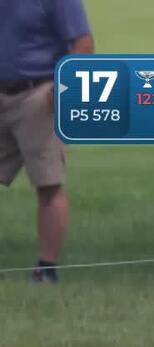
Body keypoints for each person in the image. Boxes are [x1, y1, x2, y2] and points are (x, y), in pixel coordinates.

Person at [1, 0, 94, 284]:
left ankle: (46, 268)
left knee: (48, 184)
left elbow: (83, 43)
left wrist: (63, 87)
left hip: (39, 97)